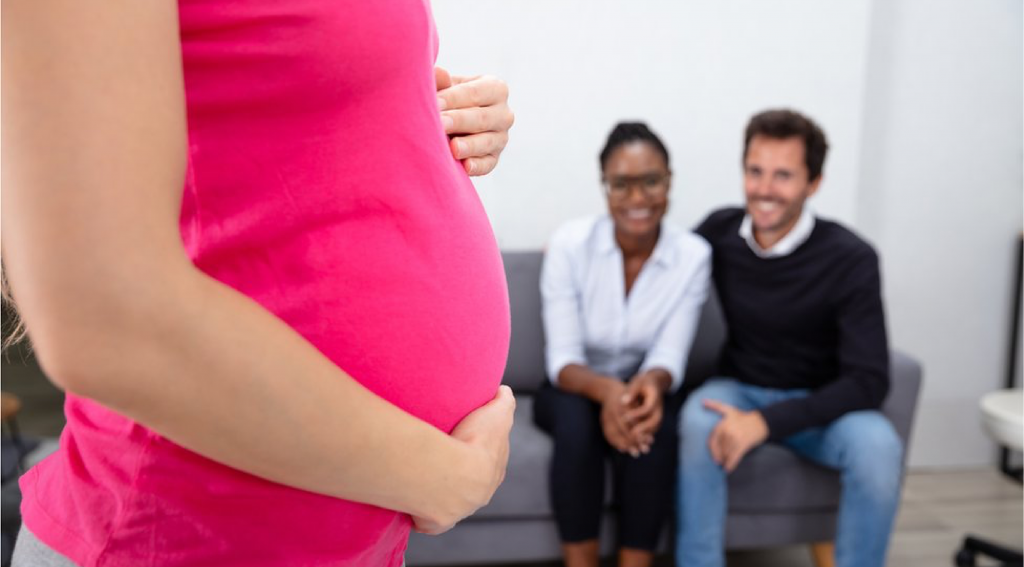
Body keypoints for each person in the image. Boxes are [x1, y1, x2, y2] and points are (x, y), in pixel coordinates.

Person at [2, 1, 516, 565]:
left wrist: (430, 115)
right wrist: (442, 478)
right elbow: (103, 319)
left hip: (352, 532)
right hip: (186, 539)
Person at [675, 109, 903, 567]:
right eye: (755, 171)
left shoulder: (851, 258)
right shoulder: (720, 232)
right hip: (739, 388)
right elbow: (662, 261)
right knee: (698, 425)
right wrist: (582, 255)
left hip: (821, 405)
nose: (764, 189)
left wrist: (765, 422)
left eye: (783, 175)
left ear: (813, 183)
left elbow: (870, 380)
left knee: (879, 449)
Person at [535, 122, 711, 567]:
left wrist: (646, 386)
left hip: (642, 382)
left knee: (654, 427)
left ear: (669, 181)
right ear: (605, 187)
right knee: (577, 427)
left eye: (650, 181)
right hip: (575, 385)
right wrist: (609, 393)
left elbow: (669, 355)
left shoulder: (693, 255)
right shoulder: (569, 246)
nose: (637, 198)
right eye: (621, 184)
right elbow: (563, 360)